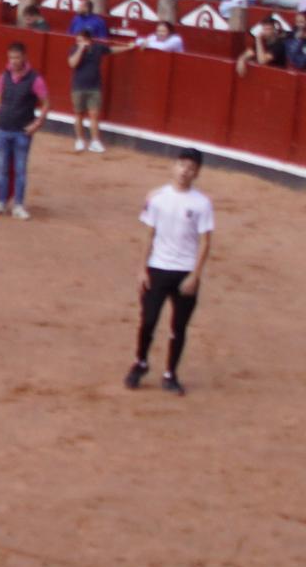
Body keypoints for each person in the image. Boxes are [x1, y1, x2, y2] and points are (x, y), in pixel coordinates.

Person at [126, 148, 213, 398]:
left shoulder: (202, 203)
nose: (185, 171)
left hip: (185, 272)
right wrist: (142, 269)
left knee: (179, 327)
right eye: (182, 165)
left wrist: (195, 275)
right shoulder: (157, 198)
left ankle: (170, 374)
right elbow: (148, 235)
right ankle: (140, 363)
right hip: (157, 269)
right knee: (149, 321)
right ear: (173, 166)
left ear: (197, 173)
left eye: (191, 167)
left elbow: (206, 242)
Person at [0, 42, 48, 221]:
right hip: (2, 129)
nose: (14, 61)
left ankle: (18, 205)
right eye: (11, 57)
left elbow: (47, 104)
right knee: (1, 169)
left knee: (20, 170)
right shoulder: (3, 76)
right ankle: (1, 203)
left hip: (22, 132)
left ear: (24, 57)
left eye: (17, 57)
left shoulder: (35, 79)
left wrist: (37, 124)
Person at [67, 31, 134, 154]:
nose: (79, 43)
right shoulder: (74, 49)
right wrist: (80, 50)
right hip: (78, 87)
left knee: (94, 115)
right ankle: (80, 140)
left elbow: (112, 50)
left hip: (94, 87)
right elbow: (72, 64)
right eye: (78, 40)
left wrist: (128, 47)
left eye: (81, 40)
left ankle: (95, 141)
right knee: (79, 114)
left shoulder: (98, 48)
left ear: (89, 40)